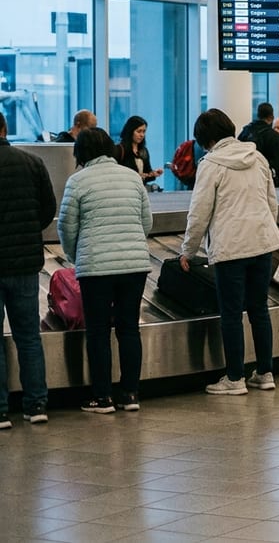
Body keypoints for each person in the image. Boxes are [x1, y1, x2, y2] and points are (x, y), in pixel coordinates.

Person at [180, 109, 279, 395]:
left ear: (204, 139)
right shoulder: (257, 157)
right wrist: (263, 230)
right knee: (259, 310)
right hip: (262, 244)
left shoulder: (210, 164)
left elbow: (199, 213)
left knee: (232, 314)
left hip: (231, 248)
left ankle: (235, 378)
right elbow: (271, 202)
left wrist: (187, 250)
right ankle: (265, 372)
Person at [58, 128, 153, 413]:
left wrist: (76, 254)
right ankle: (131, 394)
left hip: (96, 266)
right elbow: (146, 221)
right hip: (134, 265)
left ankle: (102, 397)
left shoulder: (77, 181)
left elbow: (66, 226)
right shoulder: (132, 178)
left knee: (98, 331)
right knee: (128, 328)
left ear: (81, 152)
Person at [0, 111, 55, 427]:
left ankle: (1, 410)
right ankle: (36, 406)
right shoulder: (32, 162)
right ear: (5, 128)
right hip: (24, 264)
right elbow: (48, 208)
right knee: (28, 336)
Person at [238, 102, 279, 188]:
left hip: (245, 179)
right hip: (266, 181)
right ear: (271, 117)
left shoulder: (245, 132)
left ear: (258, 115)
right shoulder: (273, 136)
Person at [115, 115, 164, 188]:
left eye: (144, 132)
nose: (142, 135)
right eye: (139, 131)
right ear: (130, 131)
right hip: (125, 190)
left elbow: (147, 172)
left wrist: (153, 174)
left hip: (140, 190)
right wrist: (137, 176)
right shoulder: (119, 149)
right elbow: (116, 175)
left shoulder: (143, 150)